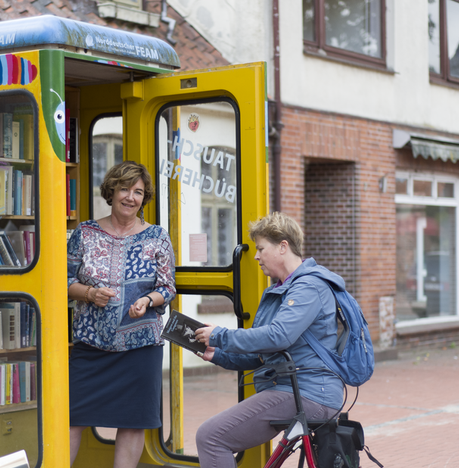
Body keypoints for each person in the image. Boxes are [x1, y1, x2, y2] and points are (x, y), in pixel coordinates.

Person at [194, 212, 344, 468]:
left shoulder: (309, 287)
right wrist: (217, 354)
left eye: (261, 248)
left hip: (308, 393)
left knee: (210, 437)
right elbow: (262, 354)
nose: (255, 256)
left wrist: (220, 335)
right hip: (294, 389)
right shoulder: (279, 290)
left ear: (283, 246)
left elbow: (278, 336)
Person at [67, 161, 176, 468]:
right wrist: (89, 293)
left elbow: (168, 287)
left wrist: (147, 300)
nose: (131, 197)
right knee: (73, 417)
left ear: (145, 198)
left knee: (132, 421)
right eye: (125, 189)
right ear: (111, 191)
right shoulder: (85, 233)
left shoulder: (157, 236)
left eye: (138, 192)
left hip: (142, 347)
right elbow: (63, 281)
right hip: (91, 346)